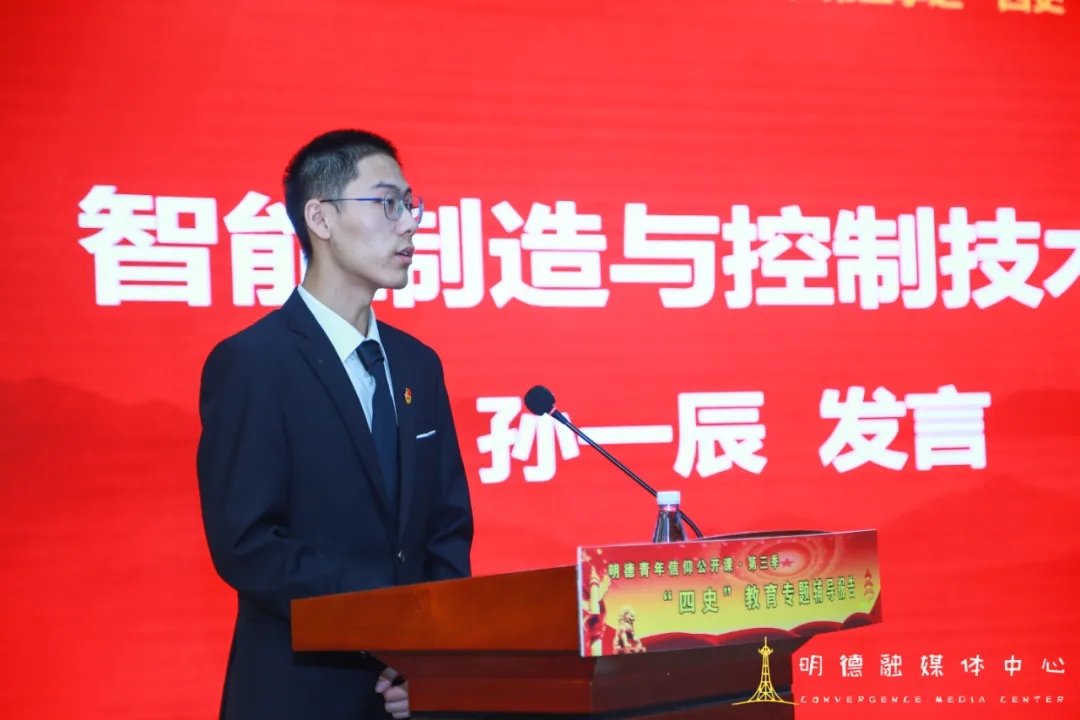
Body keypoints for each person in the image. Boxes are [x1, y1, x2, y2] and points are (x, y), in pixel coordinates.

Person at [196, 129, 474, 720]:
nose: (410, 224)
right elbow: (248, 544)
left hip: (412, 692)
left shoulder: (418, 364)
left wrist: (435, 656)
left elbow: (446, 527)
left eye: (411, 204)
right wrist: (388, 624)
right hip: (299, 692)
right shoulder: (253, 362)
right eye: (387, 203)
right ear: (320, 218)